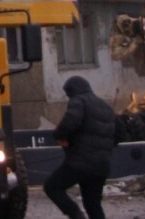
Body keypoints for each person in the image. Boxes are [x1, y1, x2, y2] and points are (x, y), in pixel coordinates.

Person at [43, 76, 117, 219]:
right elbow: (120, 132)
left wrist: (59, 135)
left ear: (72, 91)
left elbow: (70, 122)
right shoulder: (105, 106)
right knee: (93, 204)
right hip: (102, 165)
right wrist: (104, 147)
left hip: (80, 163)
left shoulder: (79, 101)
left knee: (52, 187)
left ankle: (75, 214)